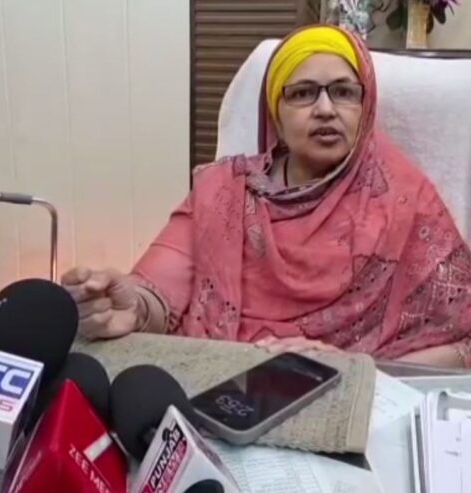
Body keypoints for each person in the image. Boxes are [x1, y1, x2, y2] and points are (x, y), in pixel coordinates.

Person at [62, 25, 471, 368]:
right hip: (218, 387)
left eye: (344, 92)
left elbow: (464, 343)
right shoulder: (224, 190)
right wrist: (130, 308)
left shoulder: (407, 200)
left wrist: (353, 368)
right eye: (303, 93)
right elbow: (158, 293)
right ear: (276, 112)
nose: (325, 109)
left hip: (355, 403)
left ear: (365, 106)